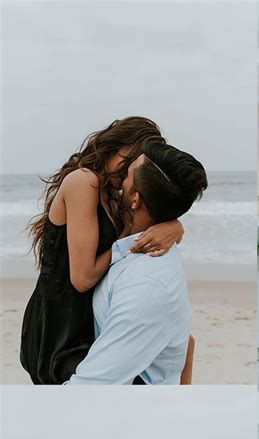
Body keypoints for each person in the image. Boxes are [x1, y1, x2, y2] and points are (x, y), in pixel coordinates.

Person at [21, 117, 189, 384]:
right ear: (115, 143)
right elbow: (83, 277)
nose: (126, 174)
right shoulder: (83, 182)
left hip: (86, 318)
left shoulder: (112, 191)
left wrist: (174, 225)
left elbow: (151, 205)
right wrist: (133, 244)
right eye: (130, 158)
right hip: (60, 326)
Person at [66, 140, 207, 384]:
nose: (118, 183)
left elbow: (90, 387)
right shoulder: (126, 244)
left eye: (127, 176)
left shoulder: (146, 286)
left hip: (132, 412)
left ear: (136, 199)